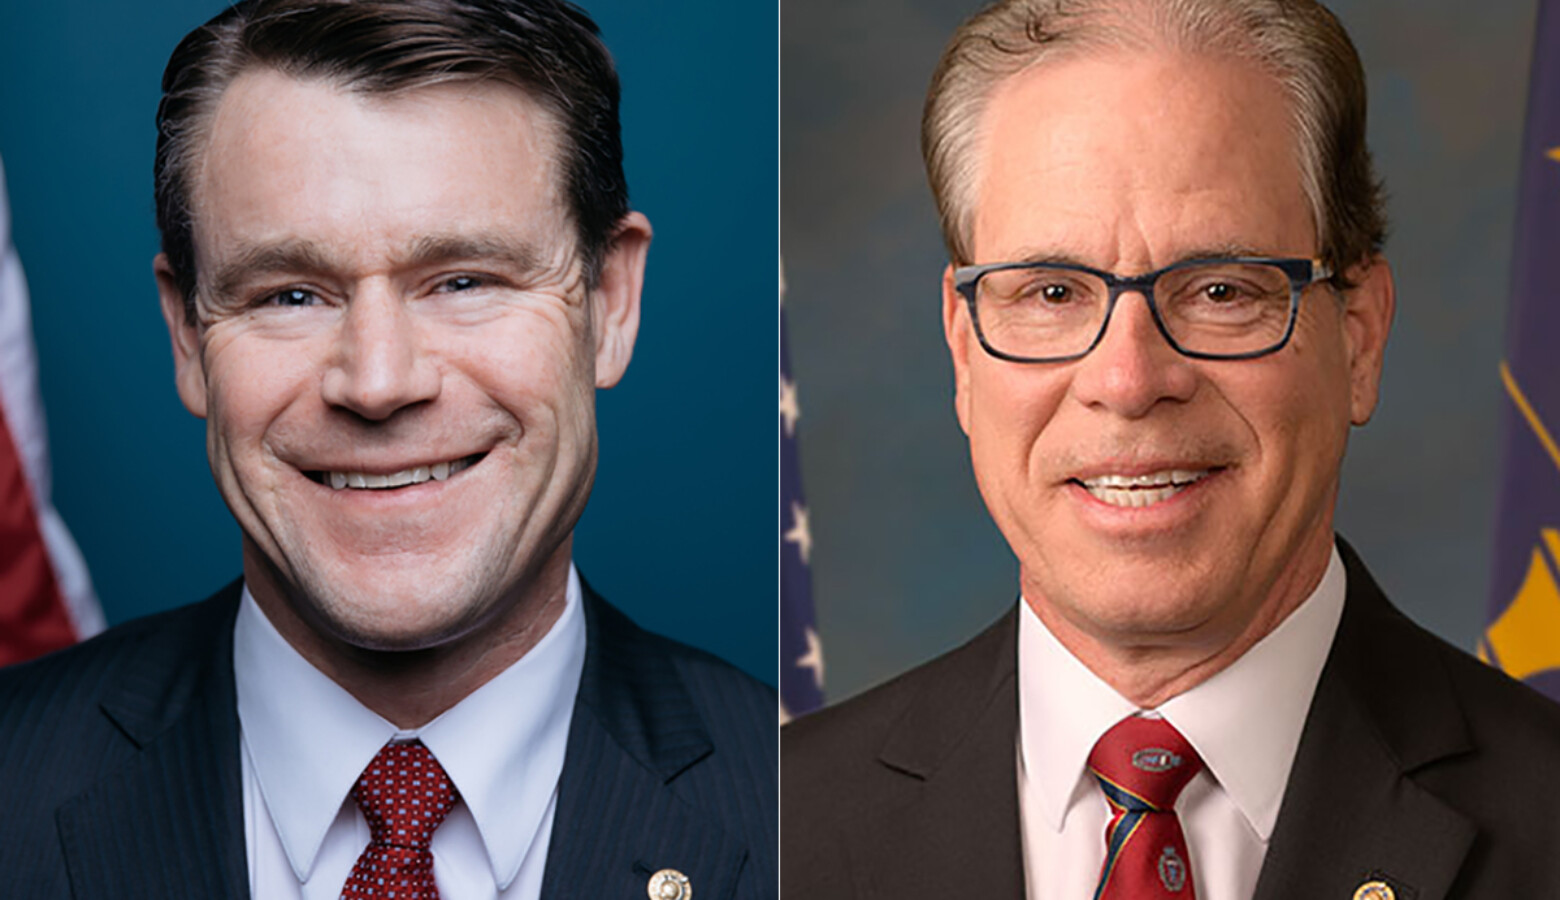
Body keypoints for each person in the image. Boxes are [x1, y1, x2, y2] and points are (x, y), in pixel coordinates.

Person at [782, 0, 1560, 897]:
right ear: (964, 349)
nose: (1127, 378)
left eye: (1221, 289)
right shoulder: (780, 827)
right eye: (1051, 293)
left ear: (1358, 338)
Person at [0, 2, 775, 898]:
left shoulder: (802, 807)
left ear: (609, 302)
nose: (377, 382)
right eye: (291, 294)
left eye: (463, 281)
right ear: (186, 335)